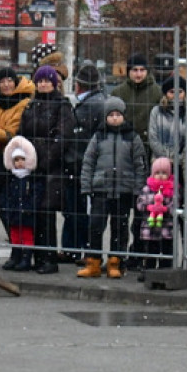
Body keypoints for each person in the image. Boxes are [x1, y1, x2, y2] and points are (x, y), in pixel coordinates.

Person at [77, 96, 147, 279]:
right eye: (111, 115)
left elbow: (140, 165)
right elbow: (88, 162)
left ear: (123, 115)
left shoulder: (132, 137)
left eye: (118, 114)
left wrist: (138, 189)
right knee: (95, 227)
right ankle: (93, 262)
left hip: (124, 191)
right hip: (101, 189)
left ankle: (116, 262)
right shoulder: (98, 136)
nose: (115, 118)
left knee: (120, 228)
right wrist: (86, 186)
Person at [18, 65, 75, 275]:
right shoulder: (31, 105)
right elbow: (22, 132)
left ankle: (49, 259)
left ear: (54, 83)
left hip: (52, 168)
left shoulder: (62, 105)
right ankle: (39, 256)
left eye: (47, 81)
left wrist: (45, 160)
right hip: (32, 166)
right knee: (34, 212)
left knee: (47, 213)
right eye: (40, 81)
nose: (43, 84)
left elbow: (63, 137)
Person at [113, 53, 163, 269]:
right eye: (134, 70)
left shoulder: (156, 92)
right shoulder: (119, 92)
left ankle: (140, 251)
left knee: (144, 208)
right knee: (122, 208)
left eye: (142, 70)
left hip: (147, 156)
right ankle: (120, 254)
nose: (138, 74)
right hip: (123, 155)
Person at [0, 66, 36, 262]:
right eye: (2, 81)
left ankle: (19, 250)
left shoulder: (23, 103)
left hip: (12, 160)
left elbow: (10, 134)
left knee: (8, 208)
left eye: (9, 81)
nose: (6, 85)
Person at [148, 74, 187, 261]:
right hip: (161, 169)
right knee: (162, 212)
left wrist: (180, 158)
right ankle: (163, 257)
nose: (176, 95)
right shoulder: (156, 112)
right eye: (171, 91)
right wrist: (166, 159)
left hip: (185, 168)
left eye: (180, 91)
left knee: (186, 215)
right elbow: (153, 137)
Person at [62, 62, 108, 262]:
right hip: (85, 164)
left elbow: (77, 136)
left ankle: (78, 249)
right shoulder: (99, 102)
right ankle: (76, 249)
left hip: (80, 164)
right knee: (78, 210)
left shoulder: (89, 106)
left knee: (78, 210)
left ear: (78, 85)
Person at [136, 156, 177, 279]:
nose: (160, 176)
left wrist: (165, 209)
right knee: (150, 252)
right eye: (157, 173)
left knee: (166, 251)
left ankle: (165, 272)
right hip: (150, 227)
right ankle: (149, 271)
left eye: (164, 173)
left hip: (166, 227)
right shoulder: (147, 189)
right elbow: (139, 204)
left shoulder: (172, 190)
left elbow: (174, 206)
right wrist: (149, 207)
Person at [1, 136, 38, 272]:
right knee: (15, 235)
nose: (20, 162)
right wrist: (7, 207)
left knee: (27, 235)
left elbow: (35, 195)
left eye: (22, 159)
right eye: (16, 160)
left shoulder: (30, 179)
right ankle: (15, 256)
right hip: (14, 212)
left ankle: (26, 258)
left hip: (26, 213)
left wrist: (29, 207)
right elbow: (6, 195)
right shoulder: (12, 178)